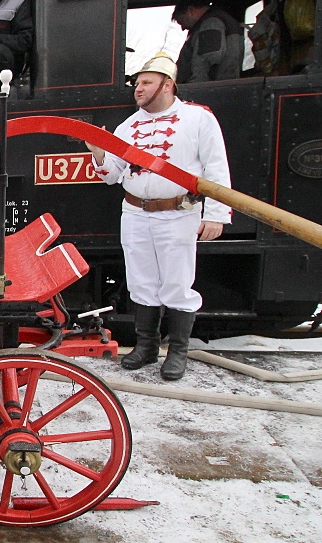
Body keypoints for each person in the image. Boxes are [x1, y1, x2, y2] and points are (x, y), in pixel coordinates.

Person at [85, 53, 231, 380]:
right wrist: (98, 153)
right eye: (137, 83)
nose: (138, 89)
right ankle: (147, 346)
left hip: (178, 213)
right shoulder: (128, 125)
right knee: (141, 282)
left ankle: (177, 352)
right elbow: (112, 174)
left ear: (167, 84)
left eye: (146, 82)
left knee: (177, 283)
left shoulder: (198, 119)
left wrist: (217, 215)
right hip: (135, 212)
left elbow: (216, 167)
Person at [172, 0, 244, 82]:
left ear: (190, 10)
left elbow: (206, 60)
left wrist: (195, 87)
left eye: (182, 21)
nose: (183, 28)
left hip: (208, 89)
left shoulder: (211, 24)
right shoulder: (221, 20)